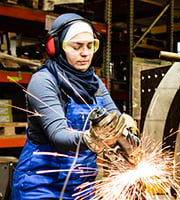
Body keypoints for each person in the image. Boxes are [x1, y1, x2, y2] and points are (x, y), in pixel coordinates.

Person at [12, 13, 137, 200]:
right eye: (76, 47)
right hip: (41, 186)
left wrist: (127, 135)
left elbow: (115, 120)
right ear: (56, 47)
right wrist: (91, 138)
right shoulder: (44, 81)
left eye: (90, 46)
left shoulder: (94, 83)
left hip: (83, 188)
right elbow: (58, 135)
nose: (85, 53)